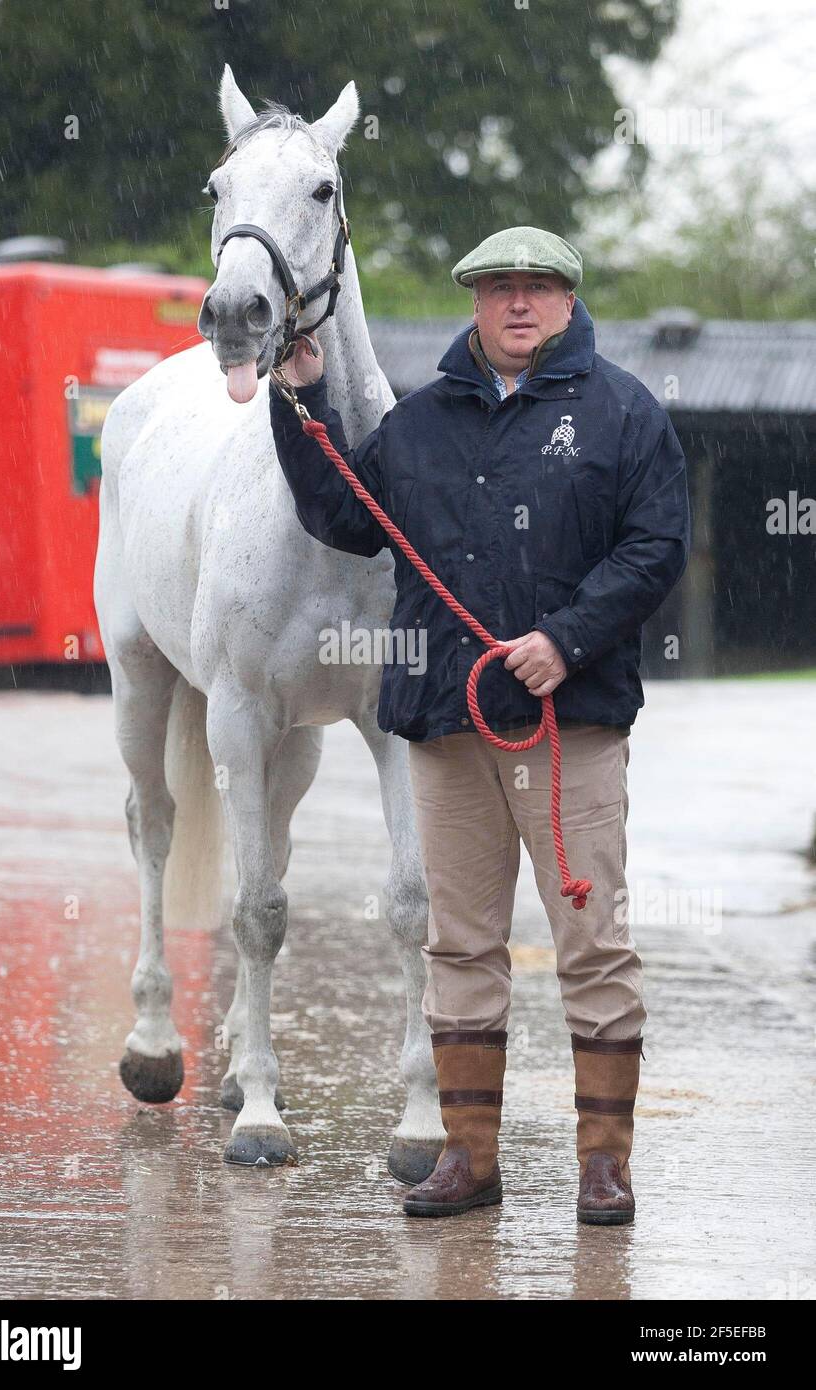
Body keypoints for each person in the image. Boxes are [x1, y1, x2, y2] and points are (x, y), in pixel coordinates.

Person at [268, 227, 691, 1223]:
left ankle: (603, 1164)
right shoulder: (418, 424)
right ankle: (467, 1155)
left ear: (566, 298)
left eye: (535, 288)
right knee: (459, 947)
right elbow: (344, 514)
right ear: (472, 299)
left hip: (567, 727)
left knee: (592, 944)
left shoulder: (623, 413)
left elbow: (655, 544)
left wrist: (569, 638)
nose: (516, 303)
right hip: (445, 726)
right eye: (498, 287)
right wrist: (302, 400)